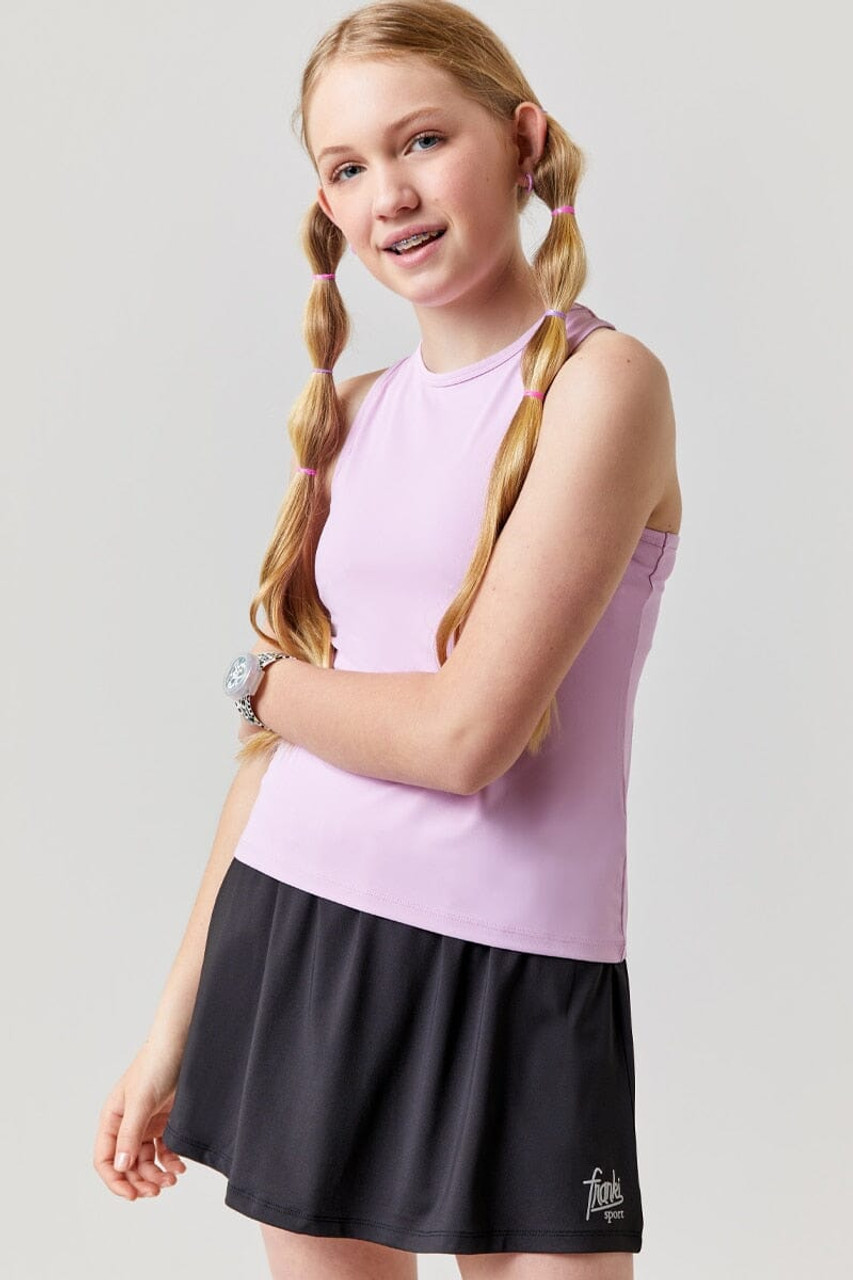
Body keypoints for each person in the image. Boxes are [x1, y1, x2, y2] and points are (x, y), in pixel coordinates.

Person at [93, 2, 683, 1277]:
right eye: (348, 166)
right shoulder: (348, 417)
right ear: (326, 202)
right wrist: (166, 1028)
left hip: (525, 971)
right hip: (302, 932)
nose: (390, 195)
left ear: (522, 141)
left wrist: (260, 680)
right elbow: (270, 770)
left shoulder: (603, 385)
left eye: (422, 140)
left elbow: (465, 737)